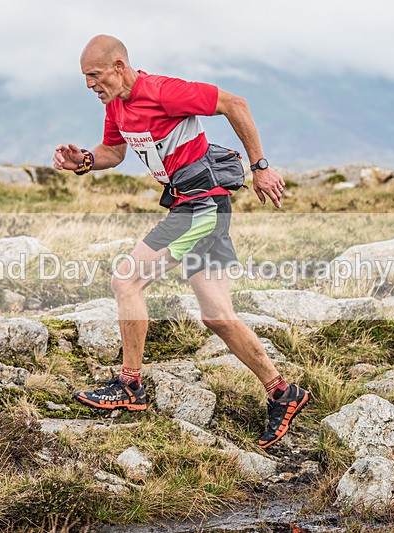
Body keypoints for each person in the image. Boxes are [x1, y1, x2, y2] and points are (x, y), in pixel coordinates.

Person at [52, 35, 309, 448]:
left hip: (202, 205)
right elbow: (113, 153)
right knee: (217, 316)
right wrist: (82, 161)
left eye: (94, 76)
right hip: (195, 206)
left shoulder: (163, 92)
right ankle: (283, 392)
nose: (89, 86)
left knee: (127, 280)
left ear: (119, 66)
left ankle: (129, 385)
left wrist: (260, 167)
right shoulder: (116, 106)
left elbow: (236, 104)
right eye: (85, 78)